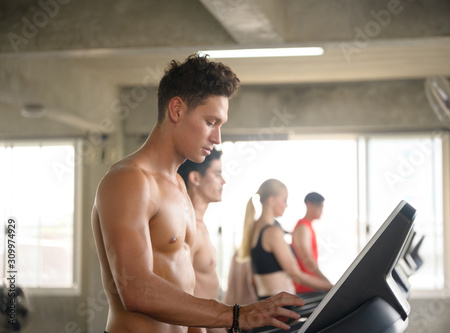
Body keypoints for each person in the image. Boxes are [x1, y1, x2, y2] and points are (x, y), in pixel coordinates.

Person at [91, 54, 304, 333]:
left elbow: (184, 288)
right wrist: (236, 315)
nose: (217, 138)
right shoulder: (129, 180)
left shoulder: (178, 187)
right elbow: (136, 290)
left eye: (220, 125)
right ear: (177, 110)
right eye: (210, 122)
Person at [239, 179, 333, 300]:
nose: (286, 205)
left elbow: (252, 279)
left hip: (267, 300)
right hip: (282, 306)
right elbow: (295, 274)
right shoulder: (272, 232)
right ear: (271, 200)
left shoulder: (254, 228)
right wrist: (331, 286)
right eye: (284, 200)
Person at [177, 149, 226, 333]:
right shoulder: (188, 229)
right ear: (195, 178)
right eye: (217, 174)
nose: (223, 181)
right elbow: (183, 295)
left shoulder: (201, 225)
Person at [291, 192, 331, 294]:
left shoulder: (307, 227)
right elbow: (307, 261)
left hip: (312, 285)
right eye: (319, 207)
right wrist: (326, 281)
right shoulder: (303, 228)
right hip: (306, 288)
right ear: (308, 205)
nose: (321, 211)